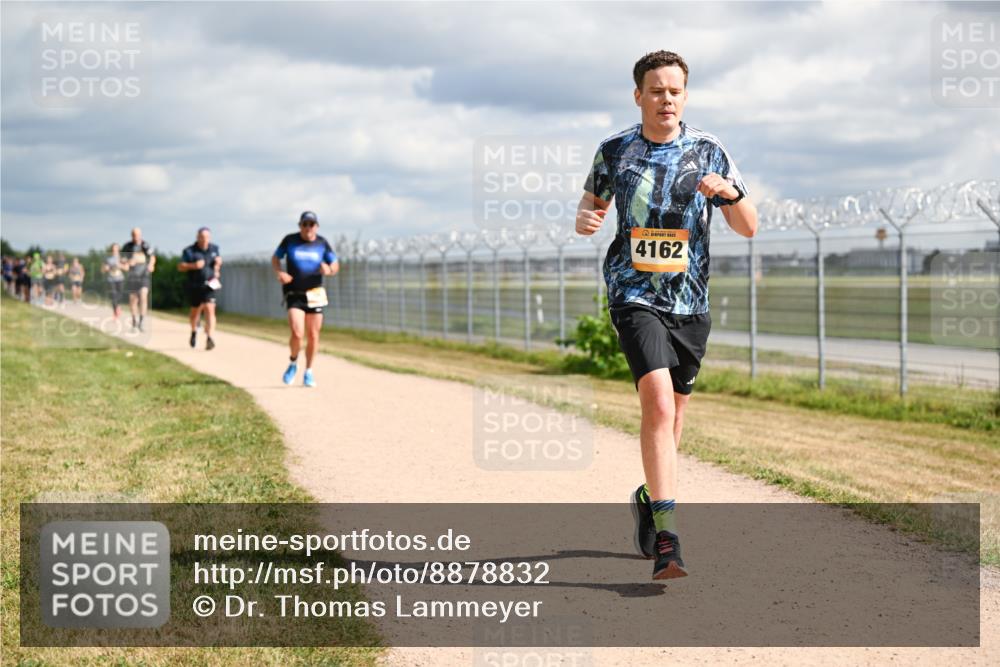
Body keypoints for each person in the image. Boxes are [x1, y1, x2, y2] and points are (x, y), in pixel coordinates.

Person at [575, 50, 758, 580]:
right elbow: (590, 207)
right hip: (634, 294)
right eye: (656, 90)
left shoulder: (708, 150)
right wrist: (586, 219)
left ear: (685, 95)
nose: (666, 99)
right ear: (639, 96)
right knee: (655, 403)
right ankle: (669, 541)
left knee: (673, 420)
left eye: (675, 90)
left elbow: (749, 226)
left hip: (690, 304)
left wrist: (729, 193)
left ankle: (649, 496)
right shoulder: (615, 151)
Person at [271, 211, 339, 387]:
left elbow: (335, 264)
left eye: (312, 224)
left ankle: (308, 371)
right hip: (294, 293)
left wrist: (329, 270)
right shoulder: (290, 240)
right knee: (297, 332)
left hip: (315, 294)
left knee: (314, 335)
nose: (308, 228)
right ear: (300, 225)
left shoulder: (322, 243)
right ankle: (293, 362)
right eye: (305, 224)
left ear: (316, 226)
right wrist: (280, 272)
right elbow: (275, 258)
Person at [178, 227, 223, 350]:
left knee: (210, 309)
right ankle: (193, 331)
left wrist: (218, 266)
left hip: (210, 285)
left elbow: (217, 265)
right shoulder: (189, 251)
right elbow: (180, 266)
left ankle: (210, 337)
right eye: (202, 237)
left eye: (207, 237)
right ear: (197, 237)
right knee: (195, 313)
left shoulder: (214, 249)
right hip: (195, 286)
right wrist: (193, 265)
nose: (205, 240)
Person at [121, 228, 156, 331]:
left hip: (144, 275)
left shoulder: (145, 245)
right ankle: (134, 321)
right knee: (133, 300)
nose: (135, 237)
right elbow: (122, 259)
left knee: (143, 296)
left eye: (137, 235)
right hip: (132, 276)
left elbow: (152, 257)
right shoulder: (127, 246)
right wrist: (127, 261)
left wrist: (151, 265)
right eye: (133, 235)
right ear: (131, 235)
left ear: (140, 235)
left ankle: (141, 321)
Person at [102, 243, 126, 318]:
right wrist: (106, 268)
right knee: (113, 295)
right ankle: (115, 311)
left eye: (116, 248)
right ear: (111, 249)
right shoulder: (107, 259)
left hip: (120, 278)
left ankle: (118, 306)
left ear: (118, 249)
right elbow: (103, 269)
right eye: (113, 248)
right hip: (111, 279)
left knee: (120, 294)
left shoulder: (122, 258)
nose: (114, 250)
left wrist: (120, 266)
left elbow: (127, 268)